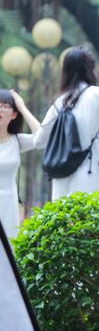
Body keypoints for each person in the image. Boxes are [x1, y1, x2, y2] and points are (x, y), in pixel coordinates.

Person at [33, 46, 99, 199]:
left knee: (63, 213)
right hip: (91, 177)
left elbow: (38, 141)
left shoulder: (59, 102)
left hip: (61, 179)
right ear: (90, 69)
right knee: (89, 213)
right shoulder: (97, 94)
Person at [0, 90, 40, 239]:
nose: (0, 110)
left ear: (13, 115)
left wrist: (22, 107)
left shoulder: (17, 141)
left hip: (8, 206)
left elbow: (41, 137)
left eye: (5, 106)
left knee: (8, 247)